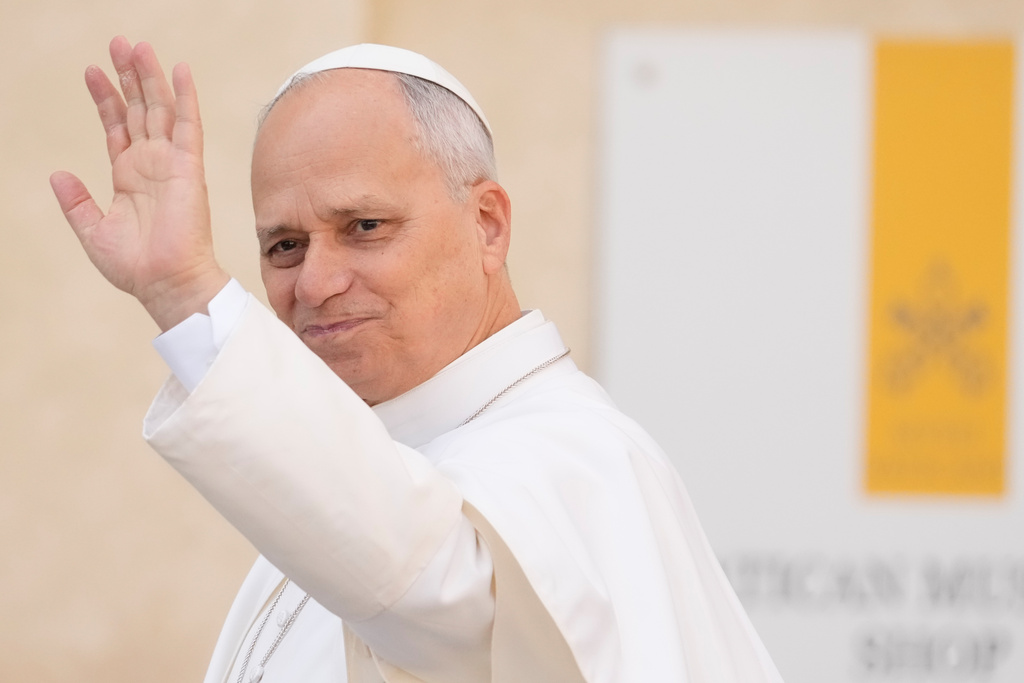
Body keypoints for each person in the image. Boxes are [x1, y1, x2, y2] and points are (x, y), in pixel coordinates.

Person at [51, 37, 784, 683]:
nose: (314, 281)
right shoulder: (362, 464)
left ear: (487, 225)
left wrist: (188, 296)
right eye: (285, 245)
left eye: (364, 226)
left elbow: (438, 593)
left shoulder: (578, 458)